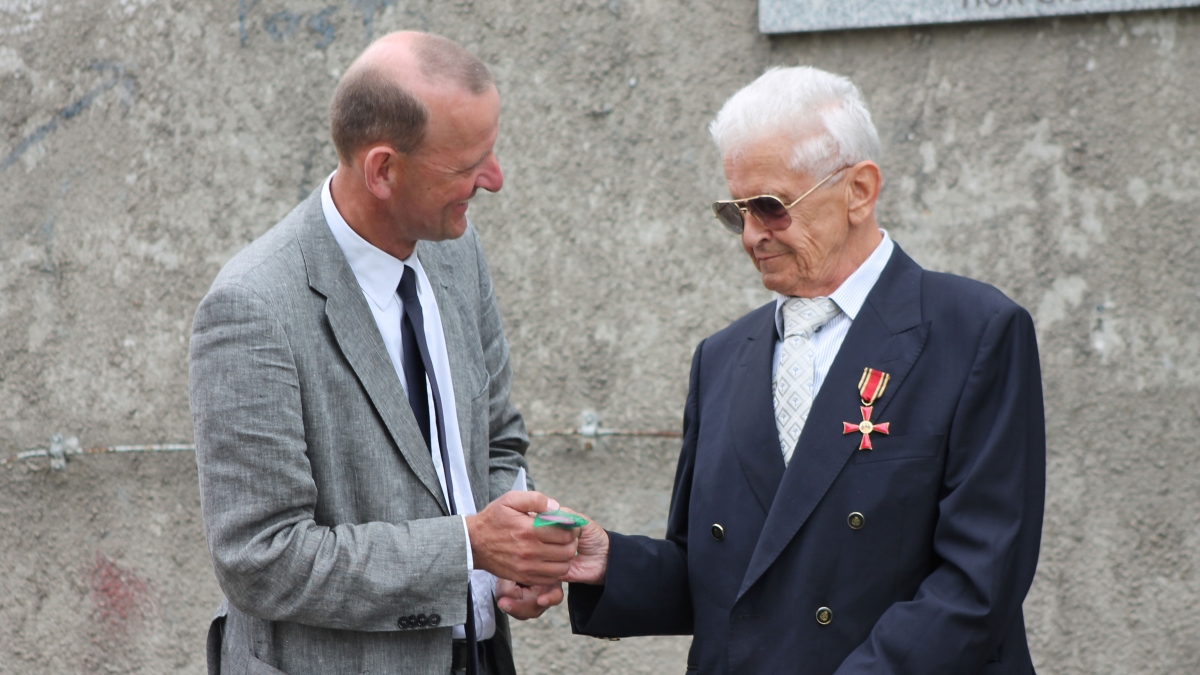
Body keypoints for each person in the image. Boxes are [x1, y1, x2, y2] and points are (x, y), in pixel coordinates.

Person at [563, 66, 1046, 675]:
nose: (749, 236)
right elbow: (734, 576)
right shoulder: (721, 357)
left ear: (859, 191)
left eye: (769, 207)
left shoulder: (974, 331)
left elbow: (980, 582)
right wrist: (608, 560)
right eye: (733, 212)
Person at [189, 32, 571, 675]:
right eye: (467, 166)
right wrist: (469, 550)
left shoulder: (456, 251)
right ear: (383, 170)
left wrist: (519, 549)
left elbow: (498, 442)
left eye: (491, 152)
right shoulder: (251, 308)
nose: (494, 180)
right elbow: (262, 560)